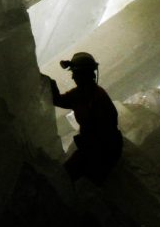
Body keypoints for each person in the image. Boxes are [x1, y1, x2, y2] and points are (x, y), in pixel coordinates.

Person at [45, 52, 122, 184]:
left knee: (67, 178)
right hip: (97, 147)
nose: (73, 77)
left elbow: (104, 129)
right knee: (67, 176)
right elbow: (58, 100)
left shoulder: (95, 96)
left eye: (75, 73)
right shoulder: (81, 94)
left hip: (103, 149)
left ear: (84, 74)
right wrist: (49, 83)